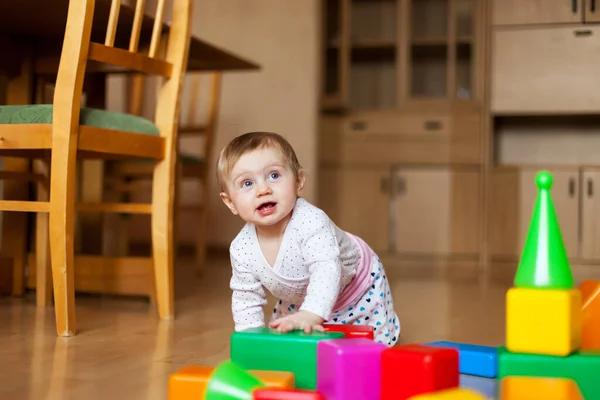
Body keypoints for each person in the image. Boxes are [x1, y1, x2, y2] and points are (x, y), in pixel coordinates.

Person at [217, 131, 400, 346]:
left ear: (298, 181)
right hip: (301, 297)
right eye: (247, 183)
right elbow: (246, 298)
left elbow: (326, 269)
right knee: (288, 340)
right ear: (230, 203)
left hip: (356, 284)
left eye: (274, 175)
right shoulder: (241, 249)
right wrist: (249, 342)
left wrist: (311, 312)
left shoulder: (311, 222)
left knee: (371, 349)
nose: (263, 190)